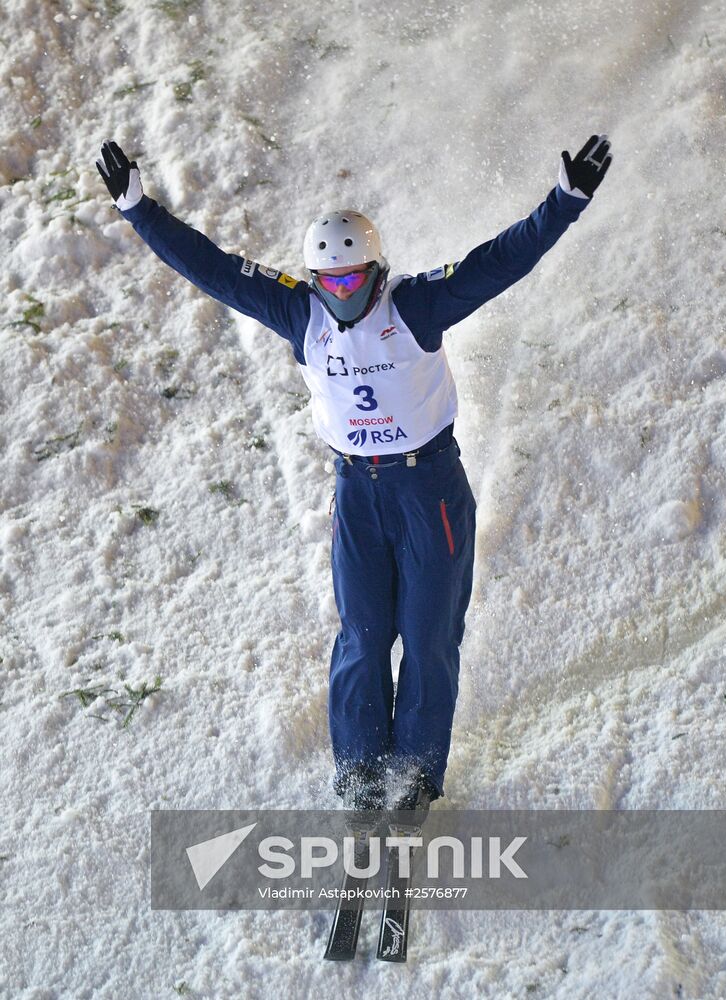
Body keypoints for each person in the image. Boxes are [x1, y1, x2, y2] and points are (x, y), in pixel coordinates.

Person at [96, 134, 612, 811]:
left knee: (428, 636)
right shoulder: (297, 312)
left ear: (377, 270)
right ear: (314, 282)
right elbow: (215, 270)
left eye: (354, 279)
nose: (343, 293)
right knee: (364, 634)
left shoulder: (416, 306)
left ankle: (418, 774)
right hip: (357, 491)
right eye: (330, 283)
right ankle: (362, 768)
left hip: (428, 487)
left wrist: (564, 202)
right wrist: (139, 209)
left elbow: (498, 262)